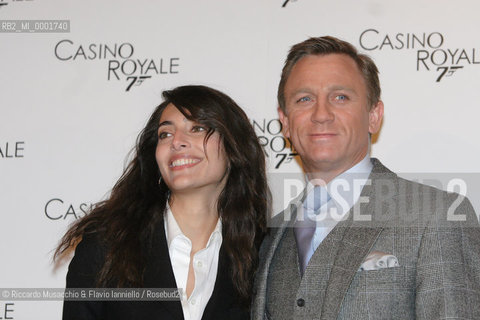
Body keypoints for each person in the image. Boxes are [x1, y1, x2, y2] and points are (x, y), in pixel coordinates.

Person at [252, 36, 480, 319]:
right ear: (285, 122)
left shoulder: (439, 217)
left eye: (340, 97)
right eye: (304, 99)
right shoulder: (271, 236)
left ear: (374, 115)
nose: (321, 114)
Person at [55, 85, 269, 320]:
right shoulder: (107, 245)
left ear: (233, 148)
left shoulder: (262, 254)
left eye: (197, 128)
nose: (176, 142)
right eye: (165, 134)